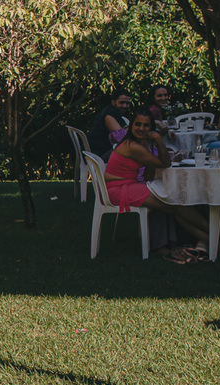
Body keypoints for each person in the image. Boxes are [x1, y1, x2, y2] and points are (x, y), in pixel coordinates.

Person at [104, 112, 210, 262]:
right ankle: (217, 236)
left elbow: (155, 162)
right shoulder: (133, 146)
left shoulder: (138, 142)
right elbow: (165, 163)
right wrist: (159, 138)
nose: (141, 128)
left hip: (127, 184)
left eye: (146, 125)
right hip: (120, 189)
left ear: (151, 127)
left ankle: (211, 238)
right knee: (174, 202)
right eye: (138, 124)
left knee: (174, 204)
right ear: (131, 126)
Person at [87, 90, 131, 162]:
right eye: (121, 102)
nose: (125, 106)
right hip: (99, 156)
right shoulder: (109, 115)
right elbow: (121, 138)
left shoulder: (114, 113)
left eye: (127, 103)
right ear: (113, 102)